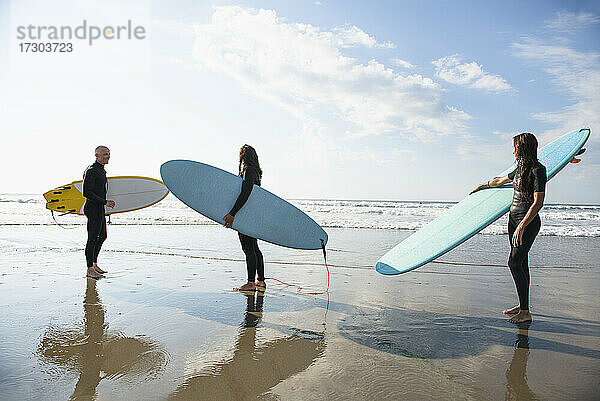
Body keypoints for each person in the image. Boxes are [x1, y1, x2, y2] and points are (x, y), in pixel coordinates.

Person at [471, 133, 546, 323]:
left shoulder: (538, 170)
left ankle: (526, 312)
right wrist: (483, 186)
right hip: (514, 220)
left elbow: (538, 203)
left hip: (527, 223)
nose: (513, 151)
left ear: (522, 148)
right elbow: (500, 180)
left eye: (515, 147)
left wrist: (522, 225)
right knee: (522, 263)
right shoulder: (519, 170)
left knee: (513, 263)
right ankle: (523, 306)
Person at [223, 145, 266, 292]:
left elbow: (245, 192)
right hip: (253, 214)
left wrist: (233, 213)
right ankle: (260, 281)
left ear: (242, 157)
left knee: (248, 248)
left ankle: (250, 283)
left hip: (245, 214)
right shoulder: (257, 172)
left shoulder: (248, 171)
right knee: (254, 248)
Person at [83, 146, 115, 278]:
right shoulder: (92, 171)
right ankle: (89, 269)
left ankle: (94, 264)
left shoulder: (101, 171)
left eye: (108, 154)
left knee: (102, 236)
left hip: (99, 208)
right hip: (92, 208)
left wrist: (103, 204)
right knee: (92, 238)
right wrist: (104, 202)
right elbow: (87, 192)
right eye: (105, 154)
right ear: (97, 155)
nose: (107, 156)